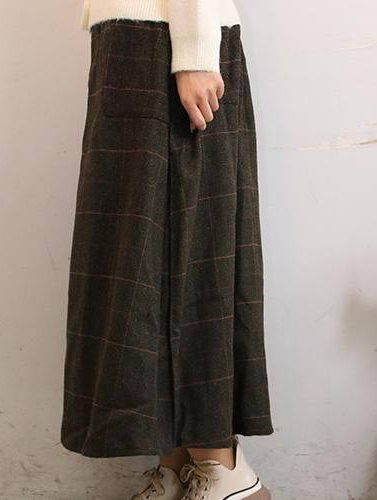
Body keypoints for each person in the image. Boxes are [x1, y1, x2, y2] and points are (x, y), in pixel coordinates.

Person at [61, 1, 275, 499]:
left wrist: (196, 51)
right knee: (142, 261)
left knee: (194, 249)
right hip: (134, 38)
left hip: (168, 40)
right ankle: (178, 465)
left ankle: (221, 469)